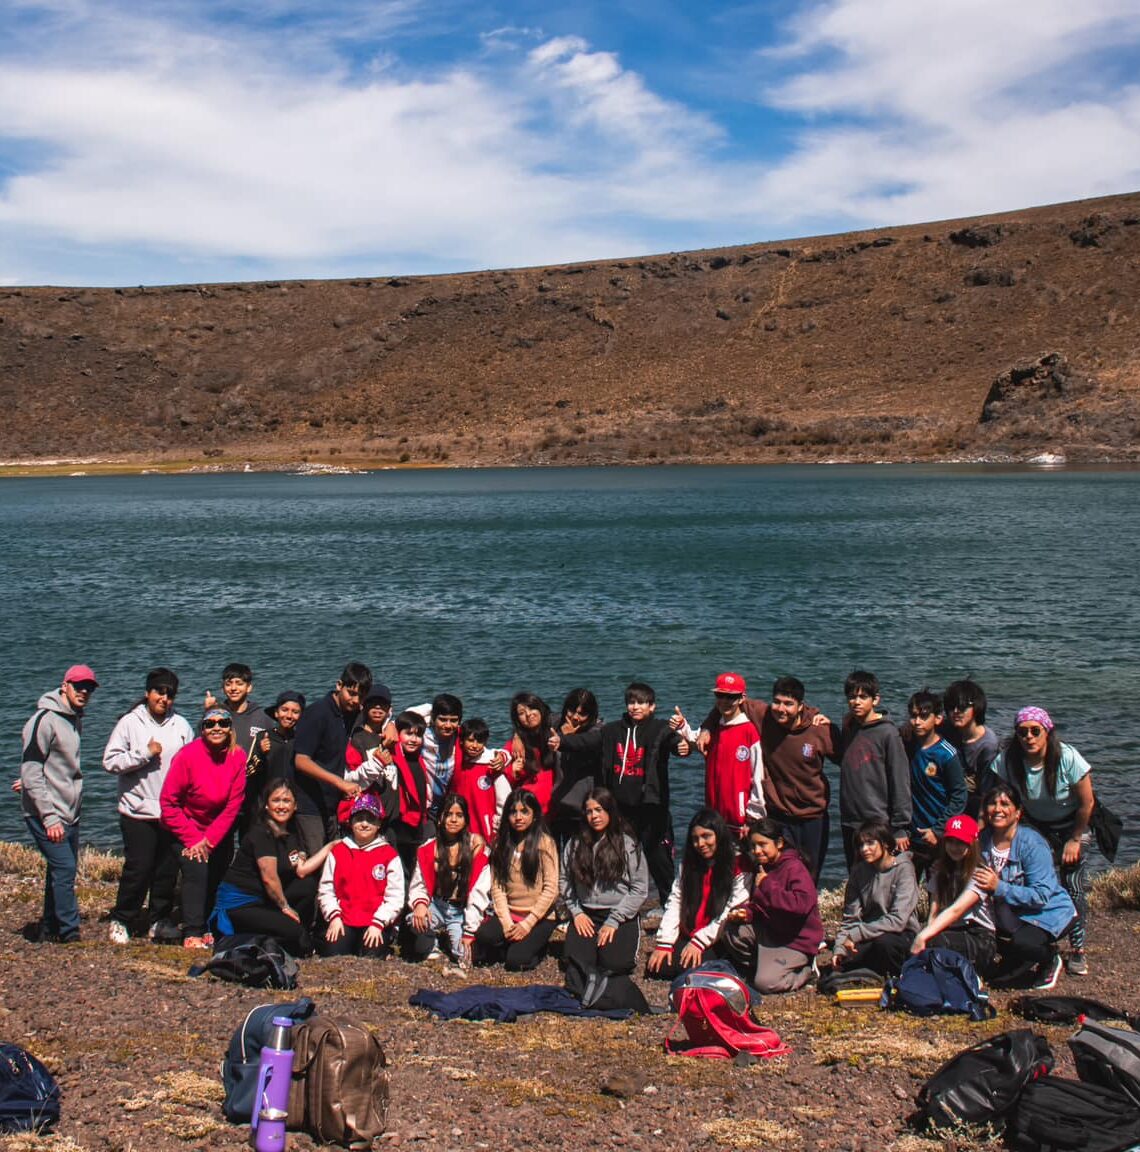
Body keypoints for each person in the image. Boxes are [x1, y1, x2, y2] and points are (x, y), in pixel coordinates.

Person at [554, 682, 688, 907]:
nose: (635, 707)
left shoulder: (660, 728)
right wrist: (562, 742)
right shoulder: (612, 730)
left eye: (641, 703)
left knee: (659, 859)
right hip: (620, 809)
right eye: (631, 702)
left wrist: (682, 746)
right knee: (620, 857)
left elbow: (673, 742)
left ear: (652, 706)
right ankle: (617, 902)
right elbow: (587, 741)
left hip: (652, 807)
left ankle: (670, 907)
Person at [992, 706, 1095, 975]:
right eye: (1022, 732)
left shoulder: (1067, 758)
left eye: (1035, 731)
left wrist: (1075, 839)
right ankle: (1032, 935)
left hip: (1072, 825)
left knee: (1072, 881)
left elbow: (1087, 803)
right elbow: (999, 796)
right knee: (1032, 879)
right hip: (1035, 824)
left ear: (1047, 732)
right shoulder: (1008, 760)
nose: (1029, 737)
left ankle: (1078, 949)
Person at [102, 667, 194, 943]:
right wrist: (144, 754)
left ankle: (158, 919)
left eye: (169, 694)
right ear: (147, 693)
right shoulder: (130, 723)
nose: (164, 698)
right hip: (137, 811)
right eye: (159, 692)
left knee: (166, 871)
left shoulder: (181, 725)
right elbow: (110, 761)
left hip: (170, 812)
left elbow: (191, 762)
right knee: (138, 868)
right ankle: (123, 919)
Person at [19, 663, 98, 944]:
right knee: (65, 868)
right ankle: (69, 931)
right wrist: (49, 817)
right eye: (79, 686)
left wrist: (30, 781)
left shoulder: (75, 718)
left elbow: (45, 767)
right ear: (65, 686)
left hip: (69, 811)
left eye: (89, 688)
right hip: (46, 814)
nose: (84, 692)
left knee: (59, 870)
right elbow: (31, 767)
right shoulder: (44, 720)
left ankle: (50, 928)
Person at [210, 779, 334, 955]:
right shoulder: (261, 833)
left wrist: (330, 847)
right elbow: (269, 878)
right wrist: (285, 908)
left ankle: (293, 935)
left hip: (265, 900)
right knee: (295, 933)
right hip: (241, 903)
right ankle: (253, 939)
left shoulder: (291, 833)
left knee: (307, 884)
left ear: (295, 805)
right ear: (266, 805)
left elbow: (302, 869)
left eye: (287, 801)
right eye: (276, 800)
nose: (282, 806)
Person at [974, 781, 1076, 990]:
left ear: (1018, 812)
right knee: (997, 979)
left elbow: (1041, 895)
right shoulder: (982, 841)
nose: (998, 809)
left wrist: (999, 887)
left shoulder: (1032, 844)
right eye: (993, 803)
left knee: (1024, 944)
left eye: (1005, 804)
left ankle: (1050, 957)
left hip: (1045, 915)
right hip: (1007, 920)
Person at [159, 707, 247, 948]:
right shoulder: (187, 756)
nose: (217, 728)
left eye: (223, 723)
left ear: (230, 728)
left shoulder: (237, 756)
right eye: (210, 724)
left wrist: (209, 840)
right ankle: (192, 931)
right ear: (202, 728)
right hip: (183, 828)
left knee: (218, 871)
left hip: (215, 831)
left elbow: (233, 804)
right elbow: (168, 802)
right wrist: (194, 839)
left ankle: (209, 924)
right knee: (197, 869)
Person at [561, 788, 648, 1006]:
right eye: (589, 811)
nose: (594, 816)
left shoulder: (627, 844)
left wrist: (615, 920)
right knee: (578, 964)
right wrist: (577, 912)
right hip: (587, 914)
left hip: (619, 915)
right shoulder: (575, 844)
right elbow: (564, 881)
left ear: (610, 811)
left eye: (599, 810)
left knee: (615, 964)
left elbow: (639, 888)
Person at [645, 808, 749, 980]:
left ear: (719, 835)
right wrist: (665, 942)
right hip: (690, 931)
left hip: (719, 935)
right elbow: (675, 900)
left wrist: (699, 942)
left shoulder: (738, 865)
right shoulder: (688, 864)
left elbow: (730, 910)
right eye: (695, 839)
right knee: (658, 967)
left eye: (706, 836)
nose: (700, 844)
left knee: (693, 969)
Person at [723, 817, 823, 993]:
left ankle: (806, 971)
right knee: (732, 931)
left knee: (766, 984)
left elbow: (800, 905)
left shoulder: (794, 868)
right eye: (753, 846)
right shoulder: (764, 868)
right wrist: (747, 913)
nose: (757, 851)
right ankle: (764, 964)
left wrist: (767, 884)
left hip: (795, 940)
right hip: (773, 931)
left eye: (762, 845)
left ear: (779, 843)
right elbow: (761, 905)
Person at [831, 670, 911, 868]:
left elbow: (899, 779)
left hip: (877, 821)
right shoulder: (850, 727)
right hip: (850, 820)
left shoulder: (888, 733)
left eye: (862, 697)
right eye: (851, 697)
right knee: (856, 875)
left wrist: (900, 826)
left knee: (880, 878)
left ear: (875, 700)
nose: (856, 702)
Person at [474, 788, 560, 971]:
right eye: (514, 812)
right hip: (511, 912)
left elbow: (551, 889)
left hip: (539, 917)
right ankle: (512, 941)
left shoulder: (545, 843)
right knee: (483, 937)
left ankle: (537, 946)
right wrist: (506, 923)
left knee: (515, 961)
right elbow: (498, 887)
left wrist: (528, 923)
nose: (518, 817)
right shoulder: (501, 843)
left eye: (524, 812)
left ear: (534, 815)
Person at [406, 792, 490, 971]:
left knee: (465, 956)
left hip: (461, 910)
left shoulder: (477, 849)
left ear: (466, 819)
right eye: (448, 815)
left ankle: (457, 939)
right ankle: (431, 941)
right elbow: (418, 884)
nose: (453, 820)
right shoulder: (428, 849)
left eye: (459, 815)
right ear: (440, 818)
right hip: (437, 905)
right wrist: (420, 904)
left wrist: (469, 929)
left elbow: (478, 893)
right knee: (413, 921)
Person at [675, 672, 764, 837]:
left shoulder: (749, 731)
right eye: (719, 695)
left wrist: (754, 816)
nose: (724, 701)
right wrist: (681, 725)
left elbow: (758, 777)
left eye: (730, 697)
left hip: (741, 821)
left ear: (741, 698)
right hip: (715, 817)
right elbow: (694, 740)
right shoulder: (713, 729)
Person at [317, 792, 405, 958]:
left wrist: (379, 923)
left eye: (370, 819)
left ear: (379, 823)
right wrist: (334, 916)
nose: (364, 824)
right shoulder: (338, 851)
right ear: (351, 822)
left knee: (371, 958)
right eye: (359, 819)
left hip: (374, 922)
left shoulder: (389, 854)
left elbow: (396, 896)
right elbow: (326, 889)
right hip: (344, 919)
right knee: (333, 955)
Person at [293, 662, 371, 843]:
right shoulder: (317, 713)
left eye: (361, 696)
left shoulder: (352, 713)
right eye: (351, 693)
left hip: (334, 805)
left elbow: (379, 712)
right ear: (339, 685)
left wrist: (389, 724)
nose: (355, 700)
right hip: (309, 805)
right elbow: (301, 760)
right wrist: (340, 783)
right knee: (316, 860)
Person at [832, 820, 920, 976]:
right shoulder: (859, 872)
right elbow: (850, 918)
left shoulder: (904, 869)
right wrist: (839, 948)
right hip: (869, 934)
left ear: (885, 843)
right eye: (860, 845)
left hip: (901, 934)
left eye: (870, 843)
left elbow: (898, 920)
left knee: (884, 945)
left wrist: (856, 934)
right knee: (845, 960)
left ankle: (901, 976)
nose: (864, 849)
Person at [910, 814, 996, 972]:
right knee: (916, 940)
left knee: (932, 941)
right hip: (950, 929)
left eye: (961, 843)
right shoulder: (940, 869)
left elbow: (956, 910)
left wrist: (924, 936)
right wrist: (927, 932)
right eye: (950, 841)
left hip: (978, 936)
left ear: (972, 843)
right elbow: (934, 909)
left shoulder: (979, 872)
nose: (954, 847)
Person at [904, 688, 966, 880]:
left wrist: (938, 830)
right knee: (906, 888)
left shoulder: (946, 753)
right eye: (913, 716)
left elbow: (959, 795)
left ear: (938, 719)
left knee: (938, 888)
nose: (917, 721)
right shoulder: (906, 746)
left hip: (937, 836)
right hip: (911, 835)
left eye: (924, 716)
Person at [244, 691, 307, 841]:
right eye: (285, 710)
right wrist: (261, 753)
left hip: (293, 806)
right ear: (276, 713)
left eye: (295, 712)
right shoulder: (263, 737)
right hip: (265, 806)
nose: (289, 716)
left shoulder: (303, 739)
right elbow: (247, 772)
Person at [549, 689, 602, 847]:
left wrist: (567, 740)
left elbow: (586, 745)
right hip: (557, 807)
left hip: (582, 809)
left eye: (582, 714)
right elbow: (531, 716)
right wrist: (517, 735)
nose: (575, 717)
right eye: (572, 711)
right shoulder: (557, 723)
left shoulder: (597, 731)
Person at [942, 679, 999, 817]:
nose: (955, 712)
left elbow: (986, 789)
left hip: (971, 801)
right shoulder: (946, 730)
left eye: (962, 707)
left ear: (976, 708)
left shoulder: (988, 744)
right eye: (951, 707)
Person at [450, 718, 508, 843]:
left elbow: (504, 799)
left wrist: (498, 824)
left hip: (486, 829)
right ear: (461, 741)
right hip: (460, 826)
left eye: (480, 741)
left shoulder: (492, 763)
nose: (475, 745)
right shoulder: (455, 761)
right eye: (470, 740)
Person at [203, 662, 273, 756]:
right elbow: (200, 745)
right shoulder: (217, 715)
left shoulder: (262, 717)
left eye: (239, 683)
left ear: (249, 687)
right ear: (222, 688)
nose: (233, 688)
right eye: (228, 684)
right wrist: (208, 712)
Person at [505, 692, 558, 815]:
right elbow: (505, 774)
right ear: (517, 719)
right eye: (521, 713)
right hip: (530, 809)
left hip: (558, 806)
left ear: (540, 708)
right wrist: (512, 772)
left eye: (532, 708)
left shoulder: (556, 730)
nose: (528, 714)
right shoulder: (515, 746)